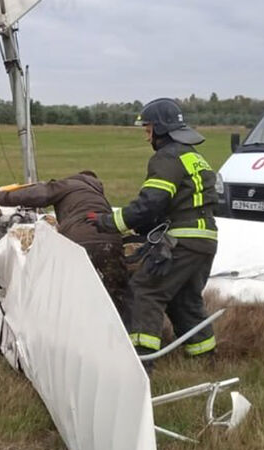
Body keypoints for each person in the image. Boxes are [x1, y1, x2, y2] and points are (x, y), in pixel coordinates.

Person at [88, 98, 218, 359]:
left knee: (145, 291)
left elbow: (150, 203)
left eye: (148, 131)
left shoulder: (167, 157)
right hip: (205, 241)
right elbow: (166, 207)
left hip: (182, 242)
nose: (147, 139)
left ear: (160, 130)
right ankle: (205, 358)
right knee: (185, 301)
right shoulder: (194, 157)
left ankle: (141, 361)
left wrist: (108, 222)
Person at [0, 172, 129, 317]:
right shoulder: (97, 196)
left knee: (75, 293)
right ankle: (124, 335)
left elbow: (39, 195)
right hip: (112, 240)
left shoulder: (70, 184)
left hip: (80, 241)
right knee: (115, 293)